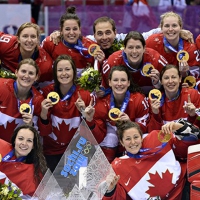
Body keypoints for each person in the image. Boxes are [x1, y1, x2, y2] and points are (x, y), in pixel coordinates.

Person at [103, 119, 200, 200]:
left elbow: (190, 145)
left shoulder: (156, 138)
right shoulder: (117, 167)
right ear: (122, 142)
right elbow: (120, 196)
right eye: (128, 139)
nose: (133, 142)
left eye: (136, 137)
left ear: (141, 137)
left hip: (185, 188)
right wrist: (110, 189)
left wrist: (179, 127)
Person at [38, 54, 97, 172]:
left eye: (67, 69)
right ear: (55, 73)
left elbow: (92, 134)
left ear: (74, 72)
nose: (64, 73)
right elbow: (44, 132)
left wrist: (85, 115)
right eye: (60, 70)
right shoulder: (46, 93)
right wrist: (43, 114)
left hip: (77, 152)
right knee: (54, 190)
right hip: (51, 151)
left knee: (78, 189)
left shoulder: (85, 95)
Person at [81, 66, 149, 163]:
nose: (119, 84)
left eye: (123, 80)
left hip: (132, 141)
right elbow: (98, 139)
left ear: (128, 82)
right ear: (109, 82)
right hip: (111, 143)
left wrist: (130, 124)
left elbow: (146, 131)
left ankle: (133, 166)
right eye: (116, 80)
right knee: (110, 139)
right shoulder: (101, 102)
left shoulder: (139, 100)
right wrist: (90, 120)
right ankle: (106, 170)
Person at [41, 6, 105, 77]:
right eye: (67, 29)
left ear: (79, 30)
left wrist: (101, 62)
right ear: (61, 31)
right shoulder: (50, 43)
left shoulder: (91, 47)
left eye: (75, 29)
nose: (71, 33)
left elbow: (98, 75)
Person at [101, 31, 168, 96]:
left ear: (144, 48)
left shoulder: (156, 60)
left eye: (138, 47)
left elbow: (169, 87)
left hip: (152, 99)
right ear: (124, 49)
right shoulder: (112, 62)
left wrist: (157, 83)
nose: (134, 51)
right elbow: (104, 92)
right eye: (130, 47)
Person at [146, 11, 200, 81]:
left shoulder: (191, 49)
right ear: (161, 28)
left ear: (180, 27)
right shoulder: (152, 41)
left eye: (174, 25)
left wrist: (185, 74)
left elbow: (194, 80)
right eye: (167, 26)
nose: (170, 29)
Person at [0, 58, 44, 143]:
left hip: (17, 148)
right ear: (16, 72)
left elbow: (41, 134)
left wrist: (31, 126)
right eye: (23, 71)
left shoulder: (38, 100)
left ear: (36, 77)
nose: (26, 76)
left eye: (31, 73)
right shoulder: (1, 87)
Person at [148, 64, 200, 132]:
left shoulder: (193, 95)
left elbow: (197, 132)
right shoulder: (154, 100)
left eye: (173, 77)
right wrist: (155, 114)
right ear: (161, 81)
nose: (170, 81)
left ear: (180, 79)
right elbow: (153, 134)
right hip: (167, 141)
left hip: (188, 141)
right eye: (166, 78)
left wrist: (192, 116)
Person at [0, 22, 53, 88]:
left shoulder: (46, 66)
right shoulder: (6, 44)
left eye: (33, 37)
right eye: (25, 36)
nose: (29, 40)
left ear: (37, 40)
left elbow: (46, 89)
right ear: (18, 39)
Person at [0, 124, 47, 196]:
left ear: (33, 145)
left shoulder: (35, 174)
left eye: (29, 140)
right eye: (20, 138)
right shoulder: (1, 146)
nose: (24, 143)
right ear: (14, 140)